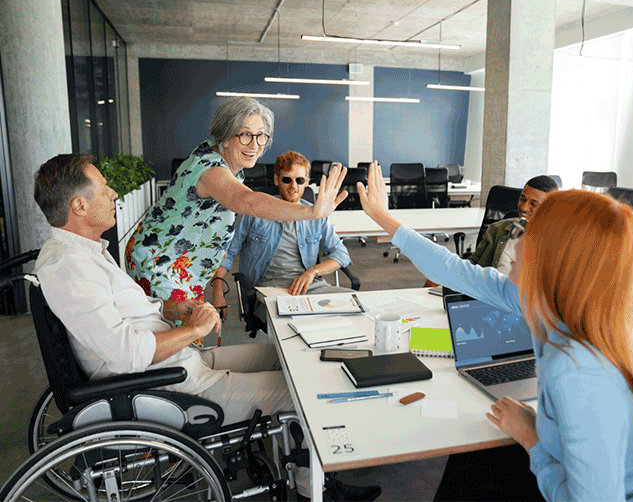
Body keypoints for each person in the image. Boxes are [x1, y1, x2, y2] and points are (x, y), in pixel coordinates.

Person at [33, 154, 381, 502]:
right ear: (79, 205)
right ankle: (312, 483)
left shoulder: (84, 254)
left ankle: (297, 458)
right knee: (305, 390)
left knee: (285, 354)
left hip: (180, 363)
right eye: (105, 189)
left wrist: (172, 308)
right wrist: (195, 329)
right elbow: (126, 353)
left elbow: (122, 319)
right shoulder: (70, 267)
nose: (114, 195)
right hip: (171, 383)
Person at [356, 161, 633, 501]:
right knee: (473, 456)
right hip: (568, 463)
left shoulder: (579, 373)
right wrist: (383, 217)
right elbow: (453, 270)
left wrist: (531, 438)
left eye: (525, 233)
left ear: (553, 259)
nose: (514, 242)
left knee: (473, 474)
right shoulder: (545, 304)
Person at [125, 97, 347, 303]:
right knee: (175, 338)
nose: (255, 145)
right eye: (245, 134)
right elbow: (247, 202)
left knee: (186, 335)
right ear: (226, 137)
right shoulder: (209, 166)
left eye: (261, 135)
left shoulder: (231, 169)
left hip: (184, 265)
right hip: (160, 262)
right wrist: (311, 212)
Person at [212, 151, 353, 321]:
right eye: (287, 179)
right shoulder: (253, 211)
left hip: (309, 287)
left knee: (354, 302)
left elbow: (341, 254)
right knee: (297, 319)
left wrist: (312, 272)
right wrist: (217, 292)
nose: (293, 186)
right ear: (277, 180)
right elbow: (227, 254)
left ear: (307, 182)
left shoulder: (316, 216)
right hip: (268, 290)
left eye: (299, 180)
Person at [467, 175, 558, 275]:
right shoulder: (497, 229)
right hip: (490, 289)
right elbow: (473, 266)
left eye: (534, 204)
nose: (524, 208)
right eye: (522, 199)